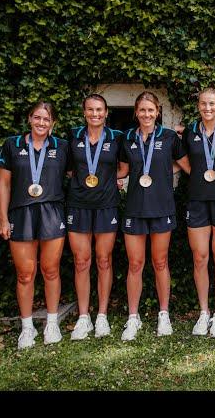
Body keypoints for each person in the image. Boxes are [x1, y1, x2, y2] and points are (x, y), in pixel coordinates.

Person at [0, 102, 70, 349]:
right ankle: (27, 327)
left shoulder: (61, 147)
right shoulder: (12, 144)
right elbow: (4, 184)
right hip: (21, 213)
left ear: (53, 123)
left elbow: (75, 175)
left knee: (51, 270)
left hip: (52, 211)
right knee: (25, 274)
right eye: (37, 118)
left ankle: (52, 323)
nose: (41, 123)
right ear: (29, 119)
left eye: (46, 119)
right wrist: (3, 218)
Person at [118, 91, 190, 341]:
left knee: (160, 263)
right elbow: (123, 171)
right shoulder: (127, 138)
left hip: (162, 207)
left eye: (151, 110)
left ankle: (164, 314)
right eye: (142, 110)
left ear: (157, 112)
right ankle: (133, 318)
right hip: (135, 208)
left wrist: (163, 170)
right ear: (136, 112)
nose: (147, 114)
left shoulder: (170, 137)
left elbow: (187, 164)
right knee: (135, 264)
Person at [66, 94, 124, 340]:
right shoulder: (73, 136)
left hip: (106, 205)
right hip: (78, 204)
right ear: (84, 112)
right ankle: (83, 317)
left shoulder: (117, 138)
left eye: (99, 109)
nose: (95, 114)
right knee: (81, 261)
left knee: (103, 260)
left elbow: (124, 168)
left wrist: (112, 183)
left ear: (106, 112)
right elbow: (68, 169)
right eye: (90, 110)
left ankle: (101, 316)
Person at [182, 87, 215, 338]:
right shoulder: (190, 133)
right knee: (200, 257)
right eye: (203, 104)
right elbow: (182, 160)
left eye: (212, 103)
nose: (207, 108)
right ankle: (204, 313)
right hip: (197, 201)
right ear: (198, 106)